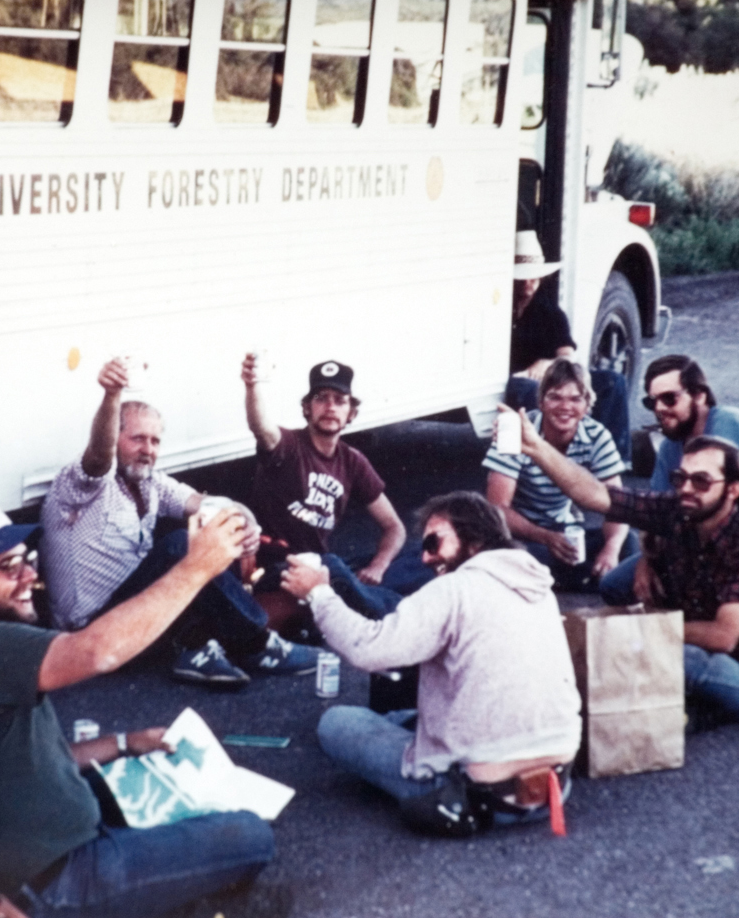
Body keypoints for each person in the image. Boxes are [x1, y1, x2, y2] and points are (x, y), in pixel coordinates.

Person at [0, 499, 276, 916]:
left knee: (162, 787)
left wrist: (123, 743)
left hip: (17, 861)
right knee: (251, 834)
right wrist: (196, 568)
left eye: (27, 559)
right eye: (8, 567)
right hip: (53, 882)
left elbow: (36, 760)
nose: (29, 576)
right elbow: (98, 651)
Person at [282, 491, 581, 833]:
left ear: (475, 538)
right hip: (554, 791)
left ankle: (430, 773)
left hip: (470, 796)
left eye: (434, 542)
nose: (425, 557)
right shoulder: (539, 587)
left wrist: (318, 593)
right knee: (400, 717)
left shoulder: (454, 589)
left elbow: (368, 648)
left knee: (338, 722)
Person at [40, 357, 319, 687]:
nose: (148, 450)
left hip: (139, 616)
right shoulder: (81, 485)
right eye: (138, 439)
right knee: (182, 546)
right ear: (115, 439)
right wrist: (112, 394)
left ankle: (195, 648)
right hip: (90, 632)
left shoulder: (151, 483)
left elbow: (217, 505)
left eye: (155, 441)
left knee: (212, 529)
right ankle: (254, 643)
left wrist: (249, 525)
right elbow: (98, 457)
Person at [514, 415, 739, 725]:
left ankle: (685, 695)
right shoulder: (683, 507)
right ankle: (663, 682)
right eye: (681, 478)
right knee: (615, 585)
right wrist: (536, 448)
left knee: (673, 654)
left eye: (701, 481)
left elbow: (723, 636)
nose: (686, 489)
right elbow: (597, 495)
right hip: (697, 622)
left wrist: (641, 632)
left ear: (733, 490)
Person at [602, 354, 739, 607]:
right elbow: (656, 513)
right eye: (652, 402)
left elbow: (714, 513)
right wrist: (647, 561)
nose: (659, 408)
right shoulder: (669, 448)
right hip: (702, 543)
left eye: (669, 398)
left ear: (699, 395)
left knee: (698, 606)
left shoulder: (728, 422)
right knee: (615, 586)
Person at [242, 355, 409, 617]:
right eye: (321, 398)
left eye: (340, 400)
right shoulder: (288, 446)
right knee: (335, 567)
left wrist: (378, 566)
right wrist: (253, 386)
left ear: (351, 413)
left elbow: (394, 527)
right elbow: (261, 428)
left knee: (399, 565)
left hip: (315, 564)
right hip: (272, 566)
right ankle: (403, 618)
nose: (330, 407)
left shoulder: (353, 462)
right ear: (307, 408)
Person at [484, 358, 640, 591]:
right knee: (512, 556)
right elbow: (497, 508)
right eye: (555, 397)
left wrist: (611, 550)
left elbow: (617, 503)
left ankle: (550, 579)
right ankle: (568, 579)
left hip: (559, 528)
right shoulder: (517, 432)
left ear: (588, 404)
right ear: (542, 402)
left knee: (628, 543)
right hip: (517, 533)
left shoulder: (596, 435)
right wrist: (545, 537)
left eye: (575, 399)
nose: (565, 406)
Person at [506, 230, 630, 463]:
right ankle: (535, 459)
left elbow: (568, 356)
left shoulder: (550, 313)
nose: (528, 284)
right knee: (521, 387)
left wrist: (548, 363)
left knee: (614, 381)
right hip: (516, 378)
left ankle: (616, 460)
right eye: (522, 278)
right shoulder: (502, 307)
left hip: (549, 378)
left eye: (533, 278)